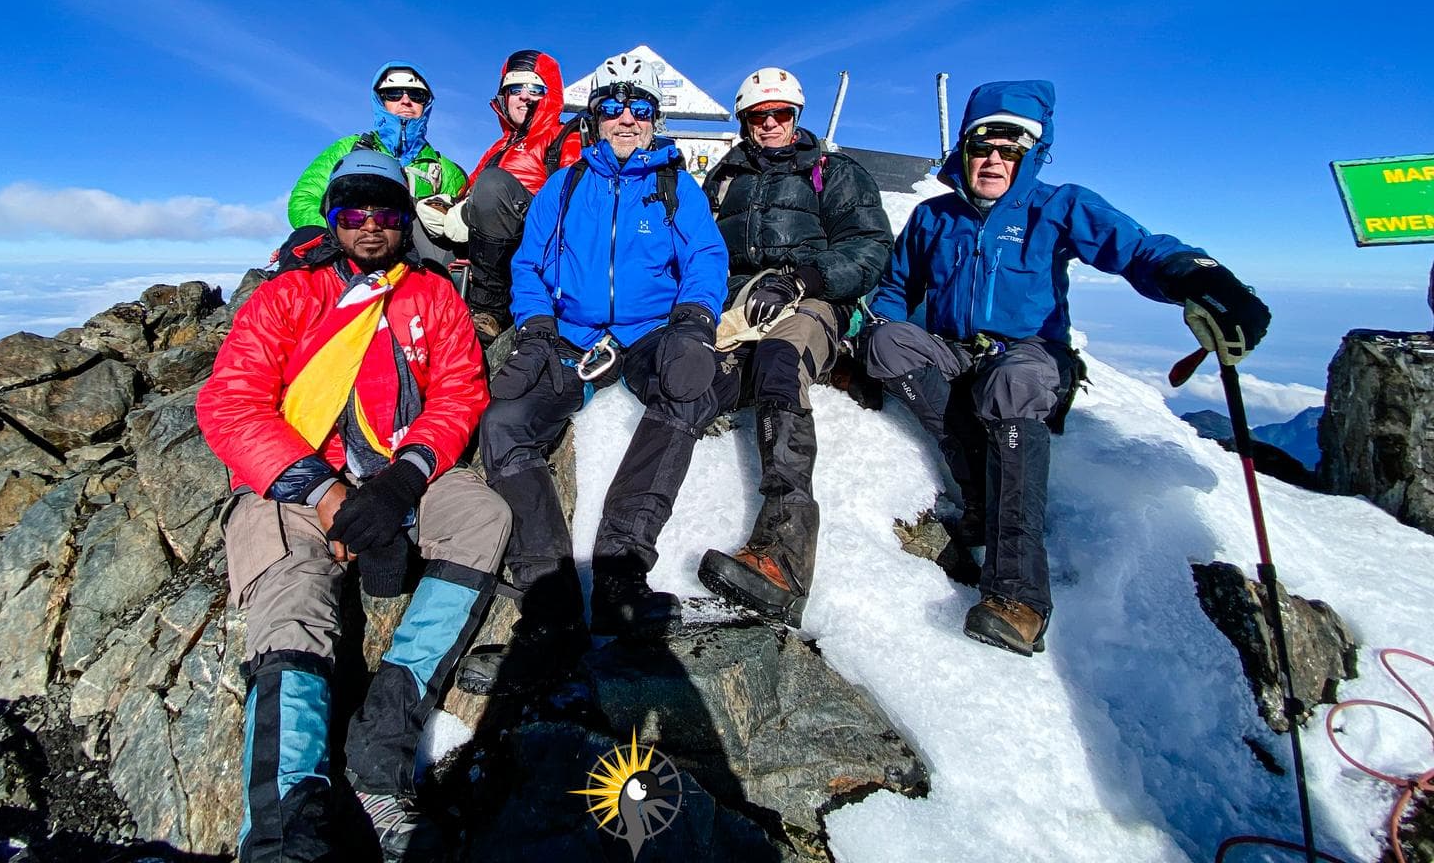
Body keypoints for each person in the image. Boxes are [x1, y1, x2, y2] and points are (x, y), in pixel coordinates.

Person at [861, 80, 1271, 656]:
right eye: (982, 147)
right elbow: (896, 288)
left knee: (1010, 382)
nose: (994, 160)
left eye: (1010, 150)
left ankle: (1018, 594)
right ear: (964, 150)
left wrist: (1197, 276)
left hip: (1029, 353)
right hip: (955, 349)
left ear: (1031, 153)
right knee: (886, 345)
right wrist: (875, 326)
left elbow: (1137, 248)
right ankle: (980, 492)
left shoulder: (1057, 206)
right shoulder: (934, 216)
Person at [198, 148, 508, 861]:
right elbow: (232, 404)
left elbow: (459, 390)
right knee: (291, 599)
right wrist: (324, 490)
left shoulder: (433, 296)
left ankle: (381, 750)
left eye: (386, 213)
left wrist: (403, 481)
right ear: (332, 220)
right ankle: (287, 825)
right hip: (295, 480)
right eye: (353, 212)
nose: (371, 226)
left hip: (400, 468)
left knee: (482, 516)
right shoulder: (287, 295)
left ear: (406, 220)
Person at [458, 48, 727, 693]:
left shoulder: (674, 184)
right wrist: (534, 328)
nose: (627, 119)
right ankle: (548, 605)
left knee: (691, 389)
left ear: (654, 121)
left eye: (640, 109)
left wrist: (695, 321)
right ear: (596, 119)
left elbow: (706, 255)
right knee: (504, 423)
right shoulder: (566, 184)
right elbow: (529, 263)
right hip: (572, 335)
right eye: (613, 108)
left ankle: (618, 572)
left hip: (648, 330)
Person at [694, 67, 892, 627]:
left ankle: (783, 556)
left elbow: (870, 246)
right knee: (694, 375)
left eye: (781, 113)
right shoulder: (725, 178)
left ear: (797, 116)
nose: (770, 124)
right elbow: (701, 247)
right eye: (759, 116)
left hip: (813, 297)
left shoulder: (834, 172)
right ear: (744, 121)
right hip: (740, 304)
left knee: (781, 361)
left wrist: (802, 279)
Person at [416, 49, 585, 344]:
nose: (524, 96)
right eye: (515, 88)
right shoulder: (498, 147)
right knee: (409, 211)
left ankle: (490, 309)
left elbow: (573, 199)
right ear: (504, 96)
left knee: (493, 184)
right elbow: (468, 190)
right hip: (482, 241)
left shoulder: (565, 137)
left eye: (535, 88)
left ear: (550, 95)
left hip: (532, 243)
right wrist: (449, 206)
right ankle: (418, 305)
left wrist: (481, 206)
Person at [277, 63, 467, 271]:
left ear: (426, 103)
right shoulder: (346, 149)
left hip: (418, 269)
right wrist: (345, 235)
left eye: (416, 95)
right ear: (380, 100)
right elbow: (304, 199)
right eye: (393, 93)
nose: (405, 100)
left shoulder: (446, 170)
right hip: (350, 259)